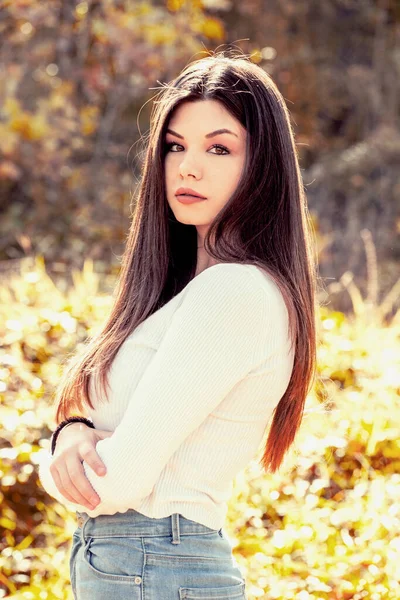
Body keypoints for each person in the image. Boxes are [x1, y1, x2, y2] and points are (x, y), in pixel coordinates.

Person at [37, 49, 318, 600]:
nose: (188, 166)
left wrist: (57, 468)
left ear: (262, 164)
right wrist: (74, 434)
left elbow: (114, 482)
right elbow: (99, 436)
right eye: (174, 146)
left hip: (155, 566)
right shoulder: (187, 293)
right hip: (151, 566)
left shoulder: (233, 292)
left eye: (219, 147)